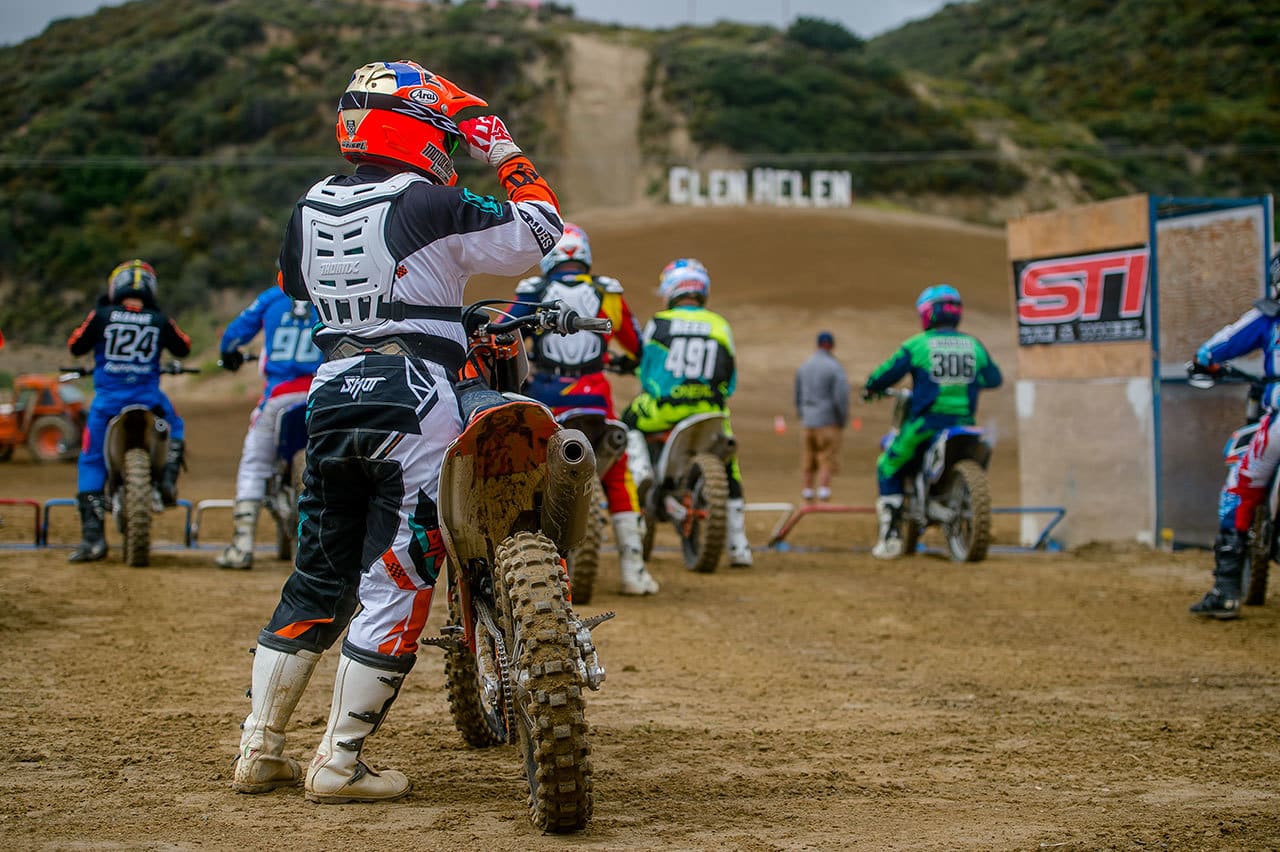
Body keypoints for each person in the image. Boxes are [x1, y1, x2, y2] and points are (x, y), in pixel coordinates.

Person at [232, 60, 563, 805]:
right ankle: (340, 762)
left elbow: (293, 284)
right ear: (416, 129)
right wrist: (501, 147)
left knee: (316, 577)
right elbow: (540, 231)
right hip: (413, 393)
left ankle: (261, 747)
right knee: (399, 574)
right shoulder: (426, 199)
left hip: (330, 392)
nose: (448, 144)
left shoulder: (307, 205)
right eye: (442, 132)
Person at [511, 223, 660, 594]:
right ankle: (633, 570)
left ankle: (532, 564)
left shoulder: (534, 292)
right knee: (616, 470)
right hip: (596, 399)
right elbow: (636, 344)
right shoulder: (608, 293)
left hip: (548, 400)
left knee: (527, 472)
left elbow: (504, 335)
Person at [622, 258, 754, 567]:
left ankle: (642, 474)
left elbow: (647, 374)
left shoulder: (661, 321)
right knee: (730, 466)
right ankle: (739, 546)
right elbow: (730, 380)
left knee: (627, 420)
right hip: (710, 412)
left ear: (671, 288)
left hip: (665, 410)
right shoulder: (720, 324)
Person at [862, 284, 1001, 559]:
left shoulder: (919, 345)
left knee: (888, 465)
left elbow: (886, 373)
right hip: (965, 424)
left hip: (926, 425)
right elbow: (993, 378)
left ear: (928, 314)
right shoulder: (974, 345)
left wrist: (870, 388)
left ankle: (890, 537)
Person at [66, 260, 191, 563]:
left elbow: (76, 345)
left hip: (108, 401)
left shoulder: (101, 315)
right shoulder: (159, 318)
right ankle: (167, 482)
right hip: (149, 398)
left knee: (91, 458)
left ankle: (93, 540)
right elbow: (184, 347)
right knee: (175, 427)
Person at [1188, 250, 1280, 619]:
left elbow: (1212, 350)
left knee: (1239, 487)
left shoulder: (1268, 317)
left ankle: (1226, 591)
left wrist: (1205, 363)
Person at [214, 278, 322, 569]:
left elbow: (234, 334)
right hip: (321, 395)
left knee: (255, 461)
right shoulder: (327, 293)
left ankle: (242, 545)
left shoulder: (271, 299)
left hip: (279, 396)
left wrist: (229, 353)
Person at [795, 330, 850, 502]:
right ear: (831, 346)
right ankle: (824, 489)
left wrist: (802, 414)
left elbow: (797, 395)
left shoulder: (805, 366)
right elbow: (841, 396)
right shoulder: (835, 367)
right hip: (828, 420)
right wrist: (842, 419)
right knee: (827, 456)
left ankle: (808, 490)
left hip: (809, 419)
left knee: (808, 456)